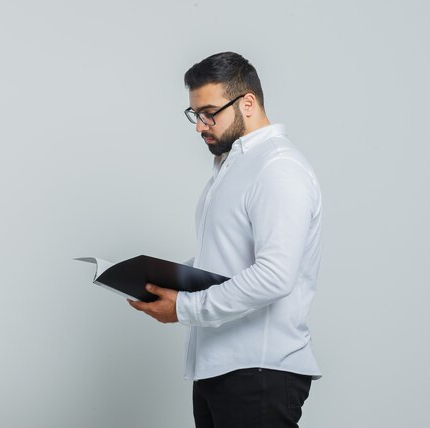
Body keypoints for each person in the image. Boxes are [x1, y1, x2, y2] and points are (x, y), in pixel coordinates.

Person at [128, 52, 322, 428]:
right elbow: (223, 263)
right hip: (221, 368)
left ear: (247, 103)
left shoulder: (277, 167)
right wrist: (161, 279)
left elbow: (274, 276)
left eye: (209, 112)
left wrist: (185, 309)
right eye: (195, 114)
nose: (201, 126)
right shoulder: (233, 167)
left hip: (261, 372)